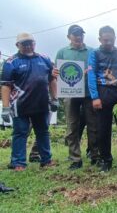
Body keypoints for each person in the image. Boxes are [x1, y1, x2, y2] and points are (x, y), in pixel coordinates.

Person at [1, 32, 58, 170]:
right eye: (24, 44)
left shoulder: (45, 59)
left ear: (34, 43)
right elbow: (5, 85)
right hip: (20, 105)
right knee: (20, 132)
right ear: (17, 45)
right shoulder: (11, 62)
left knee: (43, 132)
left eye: (30, 43)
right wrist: (5, 107)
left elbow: (52, 79)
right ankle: (18, 163)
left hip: (41, 104)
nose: (28, 46)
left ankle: (46, 160)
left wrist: (55, 99)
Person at [88, 25, 117, 172]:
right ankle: (106, 160)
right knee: (103, 127)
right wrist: (95, 97)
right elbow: (91, 74)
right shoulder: (94, 53)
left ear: (115, 38)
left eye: (111, 40)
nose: (108, 43)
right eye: (105, 40)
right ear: (100, 39)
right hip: (103, 91)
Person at [55, 25, 99, 170]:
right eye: (75, 34)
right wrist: (55, 73)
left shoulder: (92, 51)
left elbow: (97, 69)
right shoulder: (62, 52)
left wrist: (90, 71)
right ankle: (75, 158)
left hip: (88, 93)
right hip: (70, 94)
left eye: (81, 34)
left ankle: (95, 156)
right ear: (69, 37)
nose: (78, 37)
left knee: (93, 126)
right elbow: (57, 72)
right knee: (72, 126)